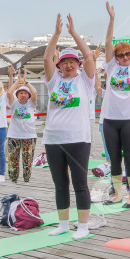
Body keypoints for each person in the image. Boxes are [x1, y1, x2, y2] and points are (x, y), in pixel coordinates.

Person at [42, 13, 96, 239]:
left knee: (80, 183)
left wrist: (73, 32)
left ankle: (82, 226)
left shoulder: (84, 79)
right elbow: (46, 60)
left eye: (72, 61)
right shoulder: (54, 81)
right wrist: (56, 33)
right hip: (54, 139)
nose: (68, 65)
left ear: (78, 65)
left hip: (78, 138)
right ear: (60, 65)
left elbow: (89, 57)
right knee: (60, 183)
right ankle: (63, 223)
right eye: (64, 62)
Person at [102, 2, 130, 206]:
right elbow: (108, 42)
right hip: (111, 119)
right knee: (114, 158)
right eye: (121, 55)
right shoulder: (111, 66)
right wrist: (112, 19)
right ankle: (118, 194)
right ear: (116, 58)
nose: (125, 57)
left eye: (127, 54)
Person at [6, 69, 38, 183]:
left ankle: (26, 178)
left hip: (29, 135)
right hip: (14, 135)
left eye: (25, 93)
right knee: (12, 158)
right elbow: (9, 93)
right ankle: (13, 178)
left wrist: (26, 82)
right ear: (17, 95)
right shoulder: (14, 102)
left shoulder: (31, 103)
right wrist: (17, 82)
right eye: (21, 93)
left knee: (27, 159)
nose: (23, 95)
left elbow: (34, 93)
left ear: (28, 95)